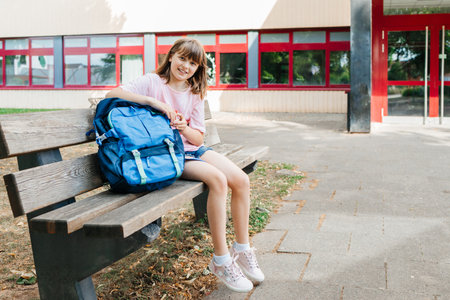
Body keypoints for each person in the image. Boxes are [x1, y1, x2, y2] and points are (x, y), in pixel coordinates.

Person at [105, 37, 264, 293]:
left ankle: (242, 249)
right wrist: (153, 102)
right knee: (218, 180)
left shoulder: (194, 92)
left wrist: (184, 128)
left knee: (241, 181)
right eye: (182, 58)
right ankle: (221, 260)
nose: (186, 66)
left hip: (193, 148)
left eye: (193, 63)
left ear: (197, 68)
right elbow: (112, 94)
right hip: (170, 155)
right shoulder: (152, 83)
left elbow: (198, 138)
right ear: (171, 57)